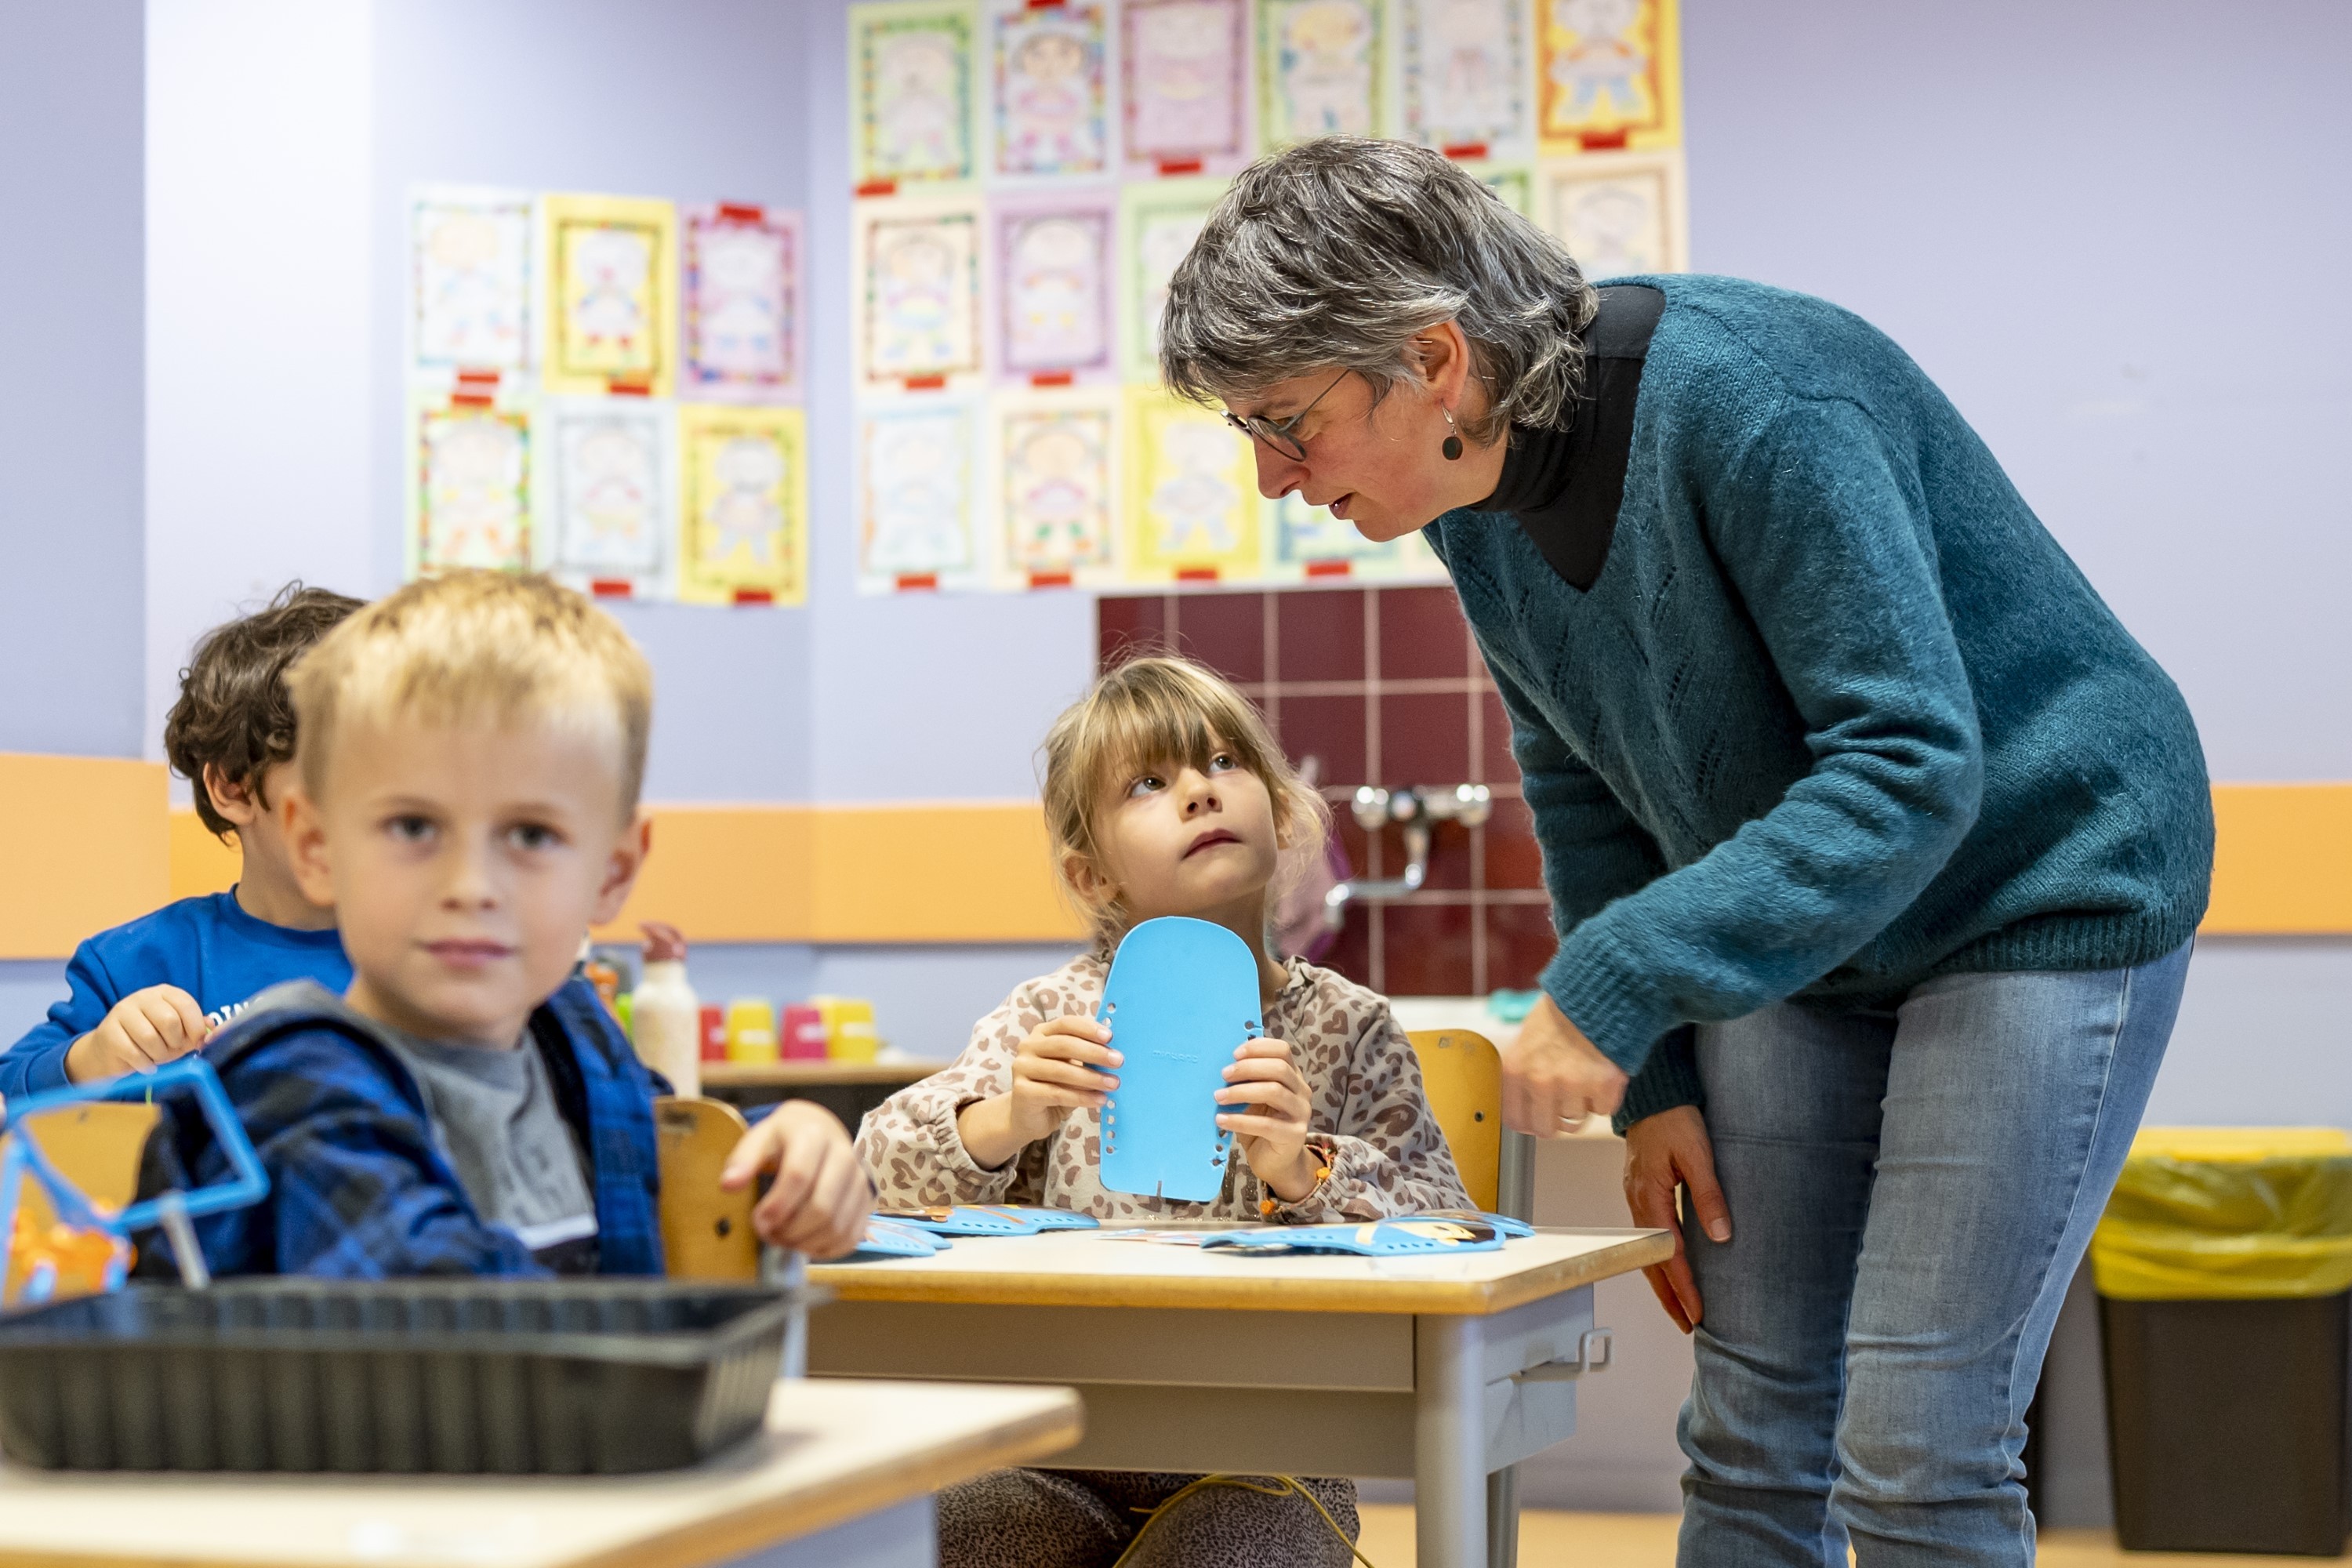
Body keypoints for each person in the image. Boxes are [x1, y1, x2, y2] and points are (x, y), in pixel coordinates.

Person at [1157, 136, 2214, 1564]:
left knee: (1917, 1442)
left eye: (1287, 422)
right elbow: (1582, 788)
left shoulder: (1759, 401)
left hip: (2039, 882)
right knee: (1754, 1422)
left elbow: (1910, 769)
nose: (1277, 477)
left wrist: (1614, 980)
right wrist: (1655, 1073)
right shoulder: (1476, 511)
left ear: (1435, 360)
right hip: (1814, 917)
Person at [858, 653, 1468, 1568]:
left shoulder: (1349, 1026)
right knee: (935, 1536)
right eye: (1149, 782)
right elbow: (873, 1171)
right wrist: (1006, 1119)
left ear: (1287, 814)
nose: (1199, 792)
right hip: (1060, 1451)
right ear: (1092, 873)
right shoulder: (1048, 1018)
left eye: (1226, 763)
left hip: (1272, 1462)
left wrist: (1307, 1171)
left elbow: (1450, 1221)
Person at [163, 572, 867, 1276]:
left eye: (530, 836)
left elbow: (675, 1158)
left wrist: (795, 1149)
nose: (471, 887)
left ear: (613, 872)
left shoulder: (572, 1034)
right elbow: (464, 1334)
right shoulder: (296, 1079)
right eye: (413, 826)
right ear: (316, 847)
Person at [0, 584, 362, 1101]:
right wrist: (96, 1056)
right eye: (345, 773)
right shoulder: (138, 962)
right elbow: (11, 1086)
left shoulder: (426, 947)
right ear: (233, 787)